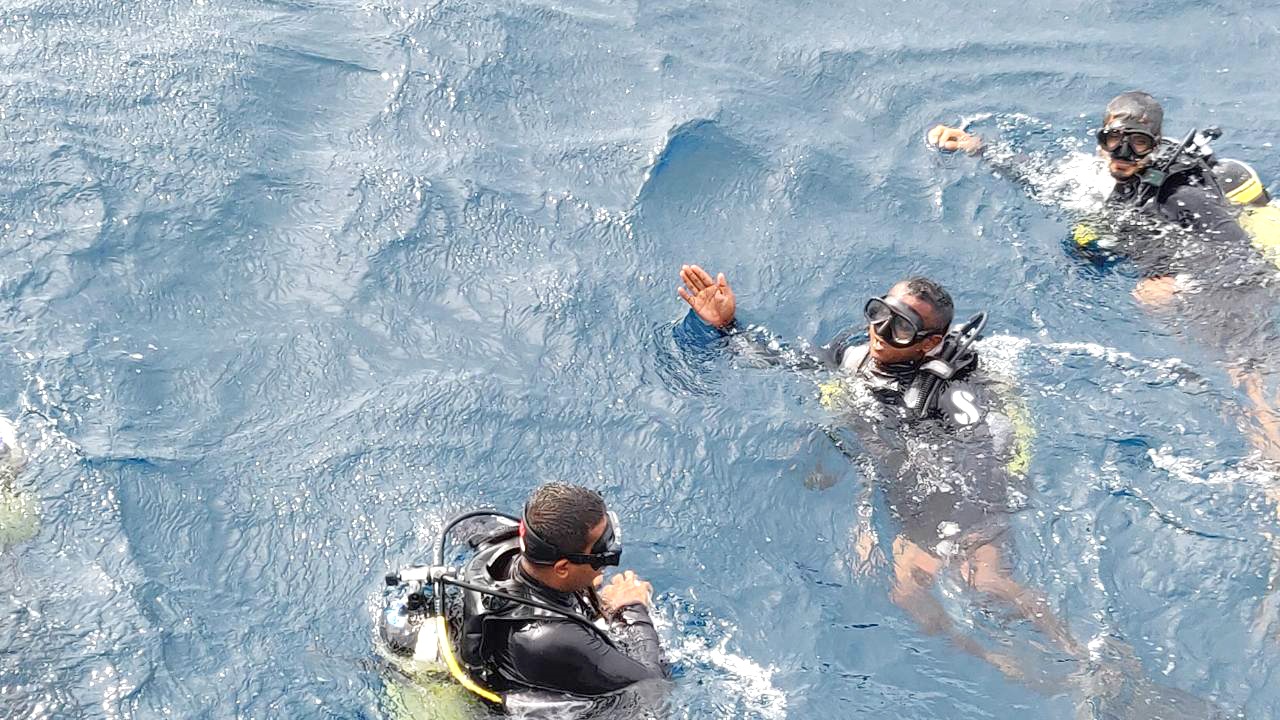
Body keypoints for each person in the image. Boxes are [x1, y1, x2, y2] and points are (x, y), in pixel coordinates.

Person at [675, 264, 1077, 677]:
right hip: (903, 489)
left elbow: (984, 457)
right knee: (908, 596)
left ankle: (1086, 658)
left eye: (900, 329)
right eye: (878, 315)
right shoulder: (853, 356)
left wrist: (950, 534)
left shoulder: (949, 393)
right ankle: (1002, 663)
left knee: (986, 580)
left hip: (963, 499)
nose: (881, 334)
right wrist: (728, 327)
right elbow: (785, 362)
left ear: (930, 343)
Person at [380, 483, 667, 705]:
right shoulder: (552, 639)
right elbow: (651, 683)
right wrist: (630, 608)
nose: (609, 554)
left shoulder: (504, 543)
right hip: (446, 699)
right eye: (601, 550)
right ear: (563, 567)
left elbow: (461, 521)